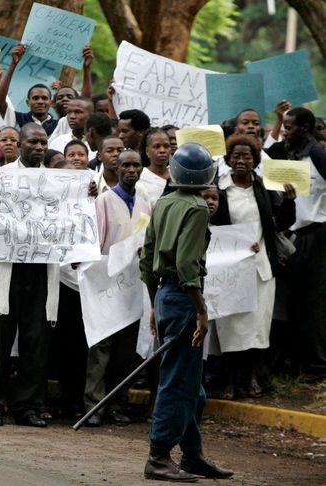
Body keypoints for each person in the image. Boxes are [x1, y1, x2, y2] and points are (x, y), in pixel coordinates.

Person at [0, 123, 94, 428]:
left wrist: (86, 194)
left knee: (36, 342)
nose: (40, 147)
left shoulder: (59, 182)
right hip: (7, 269)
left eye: (43, 142)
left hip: (42, 271)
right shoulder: (0, 177)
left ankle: (28, 406)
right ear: (20, 144)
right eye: (33, 142)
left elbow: (74, 216)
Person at [140, 143, 233, 481]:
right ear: (207, 175)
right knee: (178, 383)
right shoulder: (196, 208)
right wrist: (202, 311)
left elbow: (147, 259)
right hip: (183, 299)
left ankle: (192, 454)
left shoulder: (164, 202)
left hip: (166, 297)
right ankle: (159, 455)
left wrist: (154, 304)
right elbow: (185, 265)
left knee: (192, 384)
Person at [209, 135, 295, 397]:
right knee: (231, 327)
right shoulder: (219, 189)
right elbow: (211, 225)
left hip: (261, 269)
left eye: (247, 156)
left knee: (257, 328)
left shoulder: (264, 188)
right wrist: (237, 243)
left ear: (256, 161)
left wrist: (289, 200)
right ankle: (230, 380)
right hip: (231, 270)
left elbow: (279, 224)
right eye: (236, 156)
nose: (241, 161)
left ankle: (251, 378)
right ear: (228, 160)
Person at [84, 149, 151, 427]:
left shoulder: (147, 200)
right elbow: (95, 243)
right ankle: (94, 405)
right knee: (101, 348)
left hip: (133, 286)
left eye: (136, 165)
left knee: (125, 350)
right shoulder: (104, 201)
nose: (131, 170)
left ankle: (116, 403)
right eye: (126, 165)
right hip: (106, 282)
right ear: (117, 168)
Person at [267, 107, 326, 372]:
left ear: (304, 128)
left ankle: (316, 362)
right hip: (298, 236)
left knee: (312, 300)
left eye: (289, 127)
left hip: (317, 235)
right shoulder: (292, 154)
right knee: (299, 299)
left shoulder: (316, 154)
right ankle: (301, 358)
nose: (285, 131)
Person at [0, 44, 57, 136]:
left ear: (51, 103)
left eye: (44, 98)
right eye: (35, 98)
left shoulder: (59, 125)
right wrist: (13, 64)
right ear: (28, 102)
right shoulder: (17, 119)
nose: (40, 101)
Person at [137, 128, 171, 209]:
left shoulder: (178, 176)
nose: (162, 150)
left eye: (166, 146)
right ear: (147, 151)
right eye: (157, 146)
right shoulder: (140, 179)